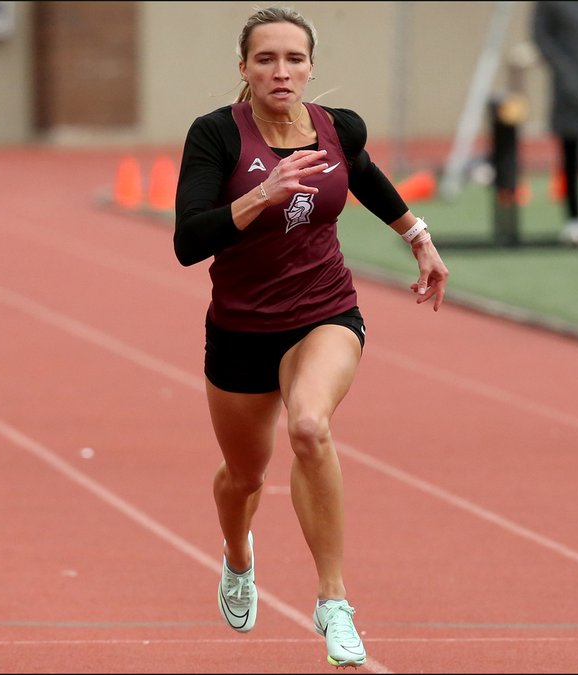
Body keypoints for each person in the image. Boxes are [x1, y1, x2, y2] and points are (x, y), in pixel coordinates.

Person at [173, 6, 449, 668]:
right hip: (240, 328)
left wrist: (420, 239)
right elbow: (188, 241)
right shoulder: (215, 136)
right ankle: (239, 556)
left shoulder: (335, 127)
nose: (281, 71)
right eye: (266, 59)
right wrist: (260, 195)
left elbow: (366, 175)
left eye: (294, 59)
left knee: (309, 428)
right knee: (244, 475)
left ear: (310, 68)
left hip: (324, 311)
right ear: (243, 68)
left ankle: (333, 602)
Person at [533, 0, 578, 246]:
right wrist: (565, 72)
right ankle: (574, 221)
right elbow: (541, 37)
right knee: (570, 153)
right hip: (568, 86)